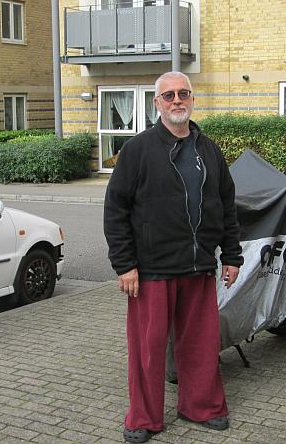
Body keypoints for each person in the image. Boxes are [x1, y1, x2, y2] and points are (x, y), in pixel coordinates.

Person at [103, 71, 243, 443]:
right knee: (147, 352)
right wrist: (125, 265)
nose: (177, 101)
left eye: (183, 94)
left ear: (193, 99)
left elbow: (226, 206)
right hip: (151, 271)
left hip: (198, 266)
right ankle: (144, 418)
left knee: (199, 345)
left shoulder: (208, 150)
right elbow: (115, 210)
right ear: (157, 104)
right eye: (169, 96)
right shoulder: (137, 150)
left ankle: (201, 406)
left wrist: (232, 256)